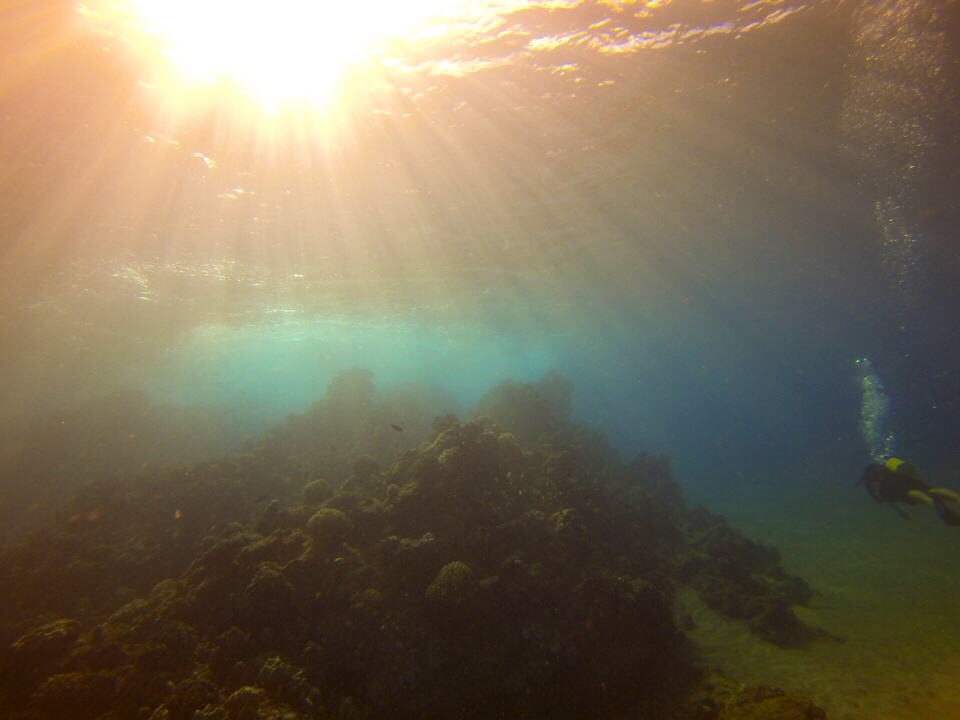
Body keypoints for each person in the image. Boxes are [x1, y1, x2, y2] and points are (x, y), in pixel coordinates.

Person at [859, 456, 960, 525]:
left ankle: (933, 502)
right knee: (930, 490)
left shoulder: (873, 479)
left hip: (895, 484)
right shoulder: (887, 469)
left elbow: (878, 499)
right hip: (903, 476)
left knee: (909, 494)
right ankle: (956, 497)